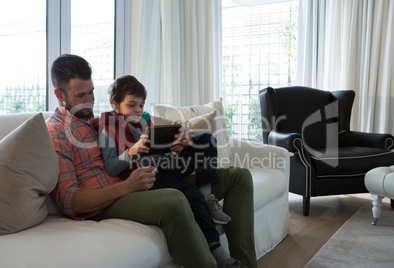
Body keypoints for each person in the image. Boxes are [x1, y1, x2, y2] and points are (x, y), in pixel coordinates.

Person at [46, 54, 257, 268]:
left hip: (145, 178)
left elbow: (145, 141)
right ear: (58, 94)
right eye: (80, 95)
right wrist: (126, 187)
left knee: (238, 177)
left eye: (91, 92)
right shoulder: (56, 130)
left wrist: (176, 146)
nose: (89, 101)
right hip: (110, 199)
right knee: (174, 199)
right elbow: (69, 200)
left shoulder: (100, 120)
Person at [96, 74, 231, 225]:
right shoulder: (107, 126)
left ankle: (207, 198)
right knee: (190, 191)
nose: (138, 110)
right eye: (132, 105)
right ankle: (212, 240)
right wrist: (132, 151)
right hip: (154, 174)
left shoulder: (145, 121)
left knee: (206, 139)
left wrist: (177, 149)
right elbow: (111, 168)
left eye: (141, 105)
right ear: (114, 103)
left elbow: (163, 151)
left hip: (169, 163)